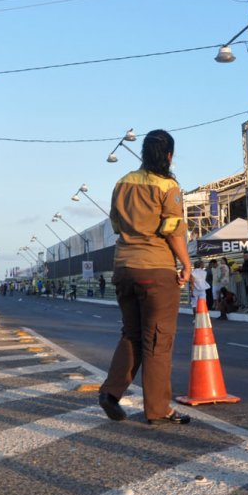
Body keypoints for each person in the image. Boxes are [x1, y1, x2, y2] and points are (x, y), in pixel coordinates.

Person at [99, 129, 194, 426]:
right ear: (169, 155)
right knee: (157, 341)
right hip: (156, 270)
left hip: (124, 268)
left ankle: (111, 393)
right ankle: (157, 409)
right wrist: (186, 265)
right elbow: (173, 231)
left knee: (132, 334)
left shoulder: (122, 182)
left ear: (142, 153)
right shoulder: (168, 187)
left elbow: (115, 223)